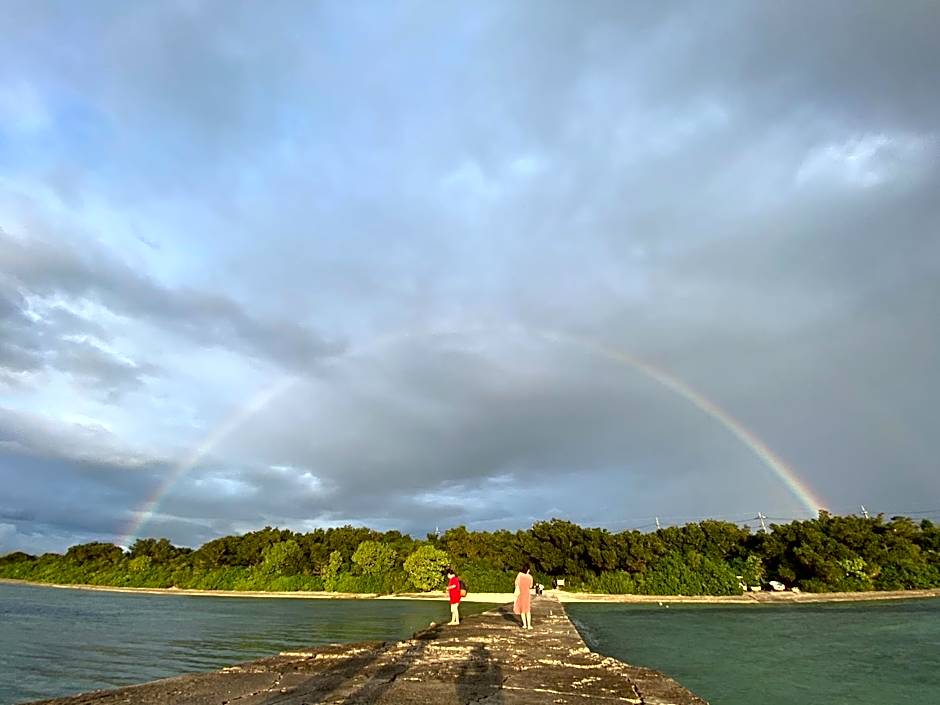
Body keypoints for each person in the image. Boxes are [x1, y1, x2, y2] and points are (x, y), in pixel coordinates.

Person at [514, 564, 534, 629]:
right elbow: (530, 586)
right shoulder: (530, 577)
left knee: (522, 610)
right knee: (527, 610)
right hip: (527, 594)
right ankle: (529, 625)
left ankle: (524, 625)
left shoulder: (519, 575)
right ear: (528, 570)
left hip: (520, 594)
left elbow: (516, 583)